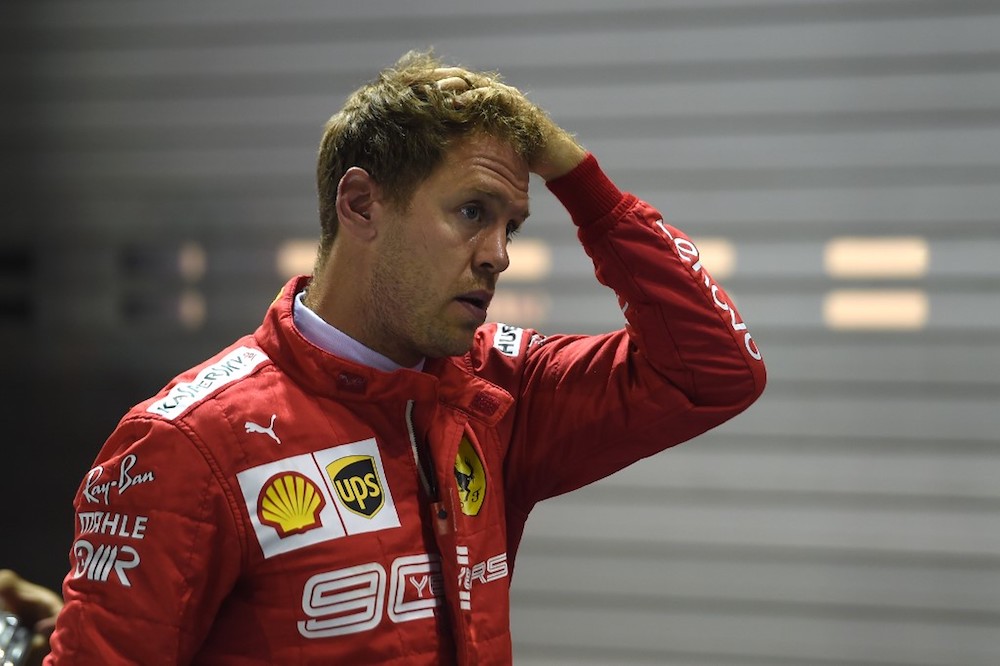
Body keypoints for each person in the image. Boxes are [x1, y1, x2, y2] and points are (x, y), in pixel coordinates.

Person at [43, 51, 766, 664]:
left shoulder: (496, 391)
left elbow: (715, 369)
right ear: (359, 205)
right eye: (473, 212)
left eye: (510, 225)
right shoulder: (187, 445)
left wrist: (581, 180)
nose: (499, 256)